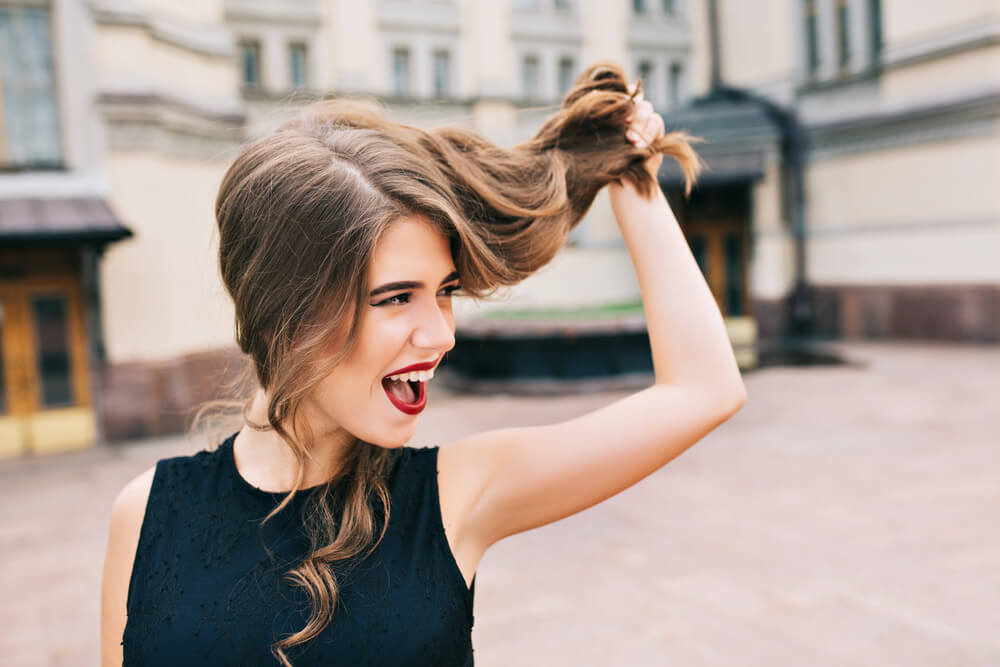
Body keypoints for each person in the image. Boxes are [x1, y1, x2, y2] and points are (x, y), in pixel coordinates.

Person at [100, 62, 746, 666]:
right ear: (283, 308)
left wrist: (628, 169)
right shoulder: (148, 512)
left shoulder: (455, 496)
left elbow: (703, 388)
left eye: (445, 292)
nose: (440, 334)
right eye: (396, 297)